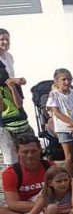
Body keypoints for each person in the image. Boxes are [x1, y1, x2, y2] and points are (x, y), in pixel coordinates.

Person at [1, 135, 52, 214]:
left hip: (50, 208)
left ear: (40, 150)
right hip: (28, 210)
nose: (30, 155)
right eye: (25, 152)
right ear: (17, 152)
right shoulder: (10, 173)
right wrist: (40, 207)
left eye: (34, 151)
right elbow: (13, 204)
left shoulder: (51, 168)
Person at [47, 68, 73, 180]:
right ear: (56, 81)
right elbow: (57, 112)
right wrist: (71, 123)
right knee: (69, 156)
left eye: (69, 79)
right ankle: (69, 179)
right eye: (64, 79)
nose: (67, 82)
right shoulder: (54, 94)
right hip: (64, 128)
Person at [0, 30, 29, 166]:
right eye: (2, 39)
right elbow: (4, 79)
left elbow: (10, 77)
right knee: (8, 146)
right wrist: (17, 81)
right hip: (3, 95)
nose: (5, 42)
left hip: (13, 92)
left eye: (7, 39)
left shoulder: (9, 56)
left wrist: (17, 83)